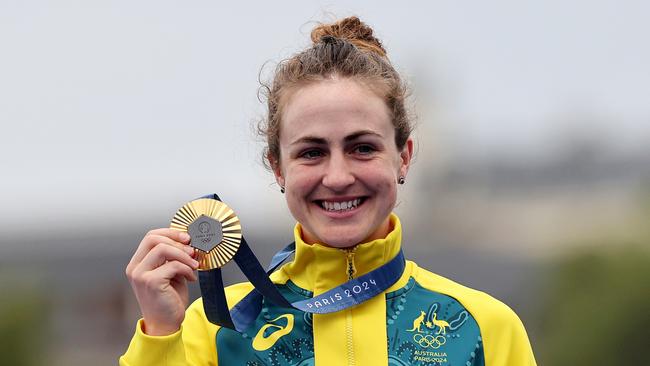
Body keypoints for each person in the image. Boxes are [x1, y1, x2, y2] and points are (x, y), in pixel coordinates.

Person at [120, 16, 537, 366]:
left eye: (362, 148)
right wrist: (160, 336)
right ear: (278, 167)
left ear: (404, 157)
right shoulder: (214, 328)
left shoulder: (484, 328)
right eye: (312, 152)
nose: (337, 176)